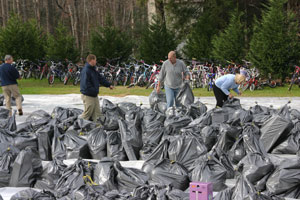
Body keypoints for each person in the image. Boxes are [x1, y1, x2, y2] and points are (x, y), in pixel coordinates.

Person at [80, 54, 113, 122]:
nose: (96, 61)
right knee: (87, 113)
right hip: (88, 95)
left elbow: (100, 79)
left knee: (97, 114)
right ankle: (77, 124)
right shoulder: (86, 70)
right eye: (95, 60)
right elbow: (85, 85)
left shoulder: (93, 70)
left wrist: (109, 85)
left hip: (94, 95)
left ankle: (97, 128)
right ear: (91, 60)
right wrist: (94, 90)